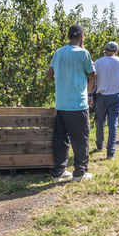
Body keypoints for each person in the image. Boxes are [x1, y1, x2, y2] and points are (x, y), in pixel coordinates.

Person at [47, 24, 96, 182]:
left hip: (61, 103)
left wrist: (62, 76)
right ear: (82, 36)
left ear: (68, 36)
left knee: (61, 139)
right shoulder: (83, 53)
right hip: (77, 104)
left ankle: (58, 172)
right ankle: (80, 172)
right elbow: (92, 74)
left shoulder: (58, 53)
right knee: (81, 139)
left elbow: (49, 76)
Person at [91, 41, 119, 159]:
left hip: (102, 96)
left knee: (100, 121)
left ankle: (99, 144)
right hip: (116, 96)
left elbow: (93, 78)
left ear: (105, 50)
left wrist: (90, 94)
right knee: (113, 123)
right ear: (117, 51)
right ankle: (110, 152)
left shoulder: (98, 62)